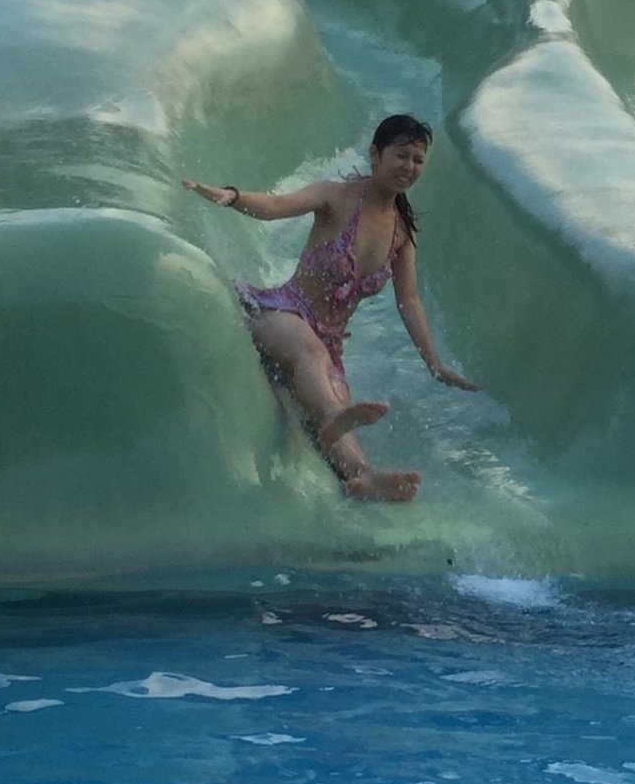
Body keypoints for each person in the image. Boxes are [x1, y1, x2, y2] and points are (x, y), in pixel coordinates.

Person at [184, 114, 477, 501]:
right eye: (401, 155)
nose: (409, 167)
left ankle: (365, 478)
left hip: (328, 345)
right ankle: (335, 414)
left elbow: (409, 301)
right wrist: (234, 197)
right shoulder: (337, 197)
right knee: (313, 358)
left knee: (332, 406)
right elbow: (275, 205)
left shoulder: (403, 232)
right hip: (282, 314)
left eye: (418, 159)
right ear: (375, 154)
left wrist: (433, 362)